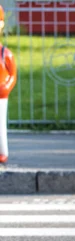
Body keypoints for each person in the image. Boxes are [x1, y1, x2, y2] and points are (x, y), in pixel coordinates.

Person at [0, 5, 17, 164]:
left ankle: (2, 152)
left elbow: (13, 75)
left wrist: (6, 87)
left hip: (1, 96)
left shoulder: (5, 53)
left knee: (0, 125)